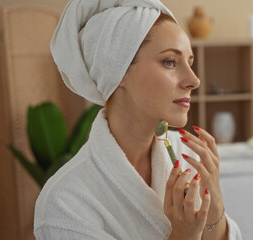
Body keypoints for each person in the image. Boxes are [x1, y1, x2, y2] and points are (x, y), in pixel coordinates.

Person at [34, 0, 242, 239]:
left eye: (190, 63)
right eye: (170, 62)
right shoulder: (65, 203)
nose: (194, 80)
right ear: (118, 70)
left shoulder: (188, 156)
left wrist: (214, 209)